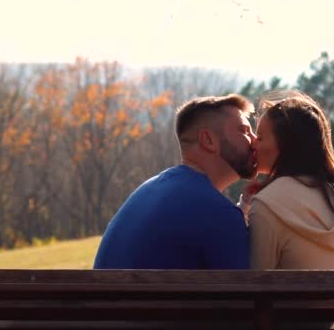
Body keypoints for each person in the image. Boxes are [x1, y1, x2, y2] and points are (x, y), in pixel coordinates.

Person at [94, 94, 257, 269]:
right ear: (208, 141)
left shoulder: (150, 190)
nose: (255, 140)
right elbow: (244, 292)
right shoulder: (219, 214)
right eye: (244, 131)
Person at [244, 91, 334, 269]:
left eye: (261, 137)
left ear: (286, 145)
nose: (253, 143)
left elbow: (258, 281)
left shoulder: (266, 204)